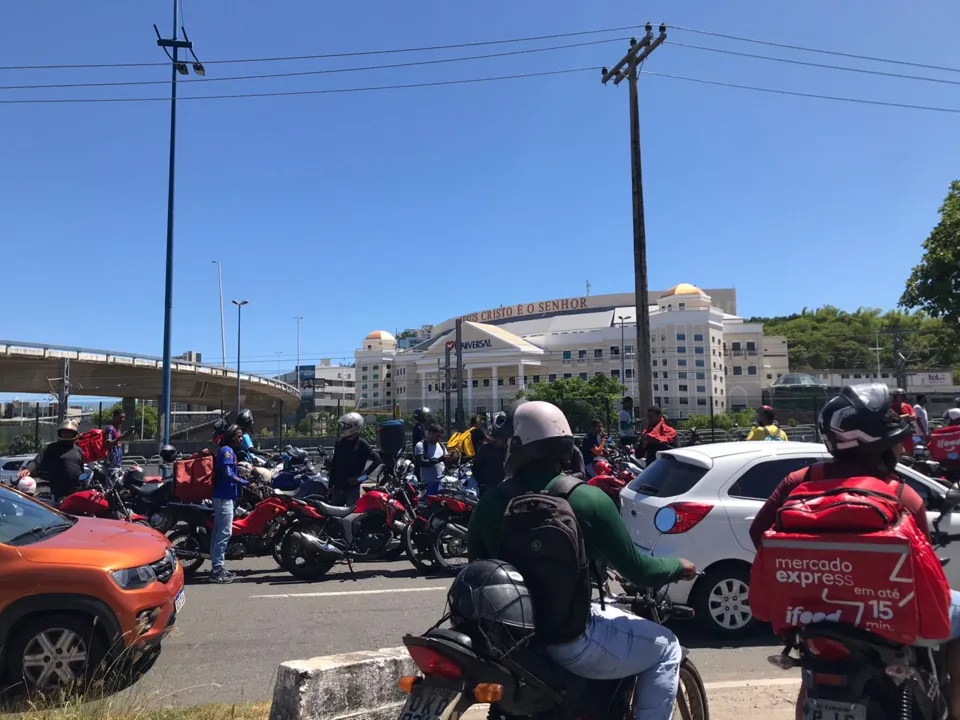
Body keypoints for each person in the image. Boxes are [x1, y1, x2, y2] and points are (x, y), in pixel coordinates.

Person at [467, 400, 696, 720]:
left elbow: (477, 571)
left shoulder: (490, 504)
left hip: (513, 646)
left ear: (517, 447)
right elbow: (638, 570)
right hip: (571, 641)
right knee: (667, 647)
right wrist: (678, 567)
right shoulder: (588, 499)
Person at [748, 383, 960, 720]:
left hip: (814, 619)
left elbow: (759, 534)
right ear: (881, 446)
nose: (903, 449)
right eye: (897, 442)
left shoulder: (797, 482)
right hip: (885, 626)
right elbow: (923, 564)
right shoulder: (904, 496)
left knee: (812, 669)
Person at [211, 424, 248, 584]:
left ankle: (216, 567)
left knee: (218, 533)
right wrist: (245, 482)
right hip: (224, 497)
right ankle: (217, 571)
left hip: (224, 497)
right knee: (224, 533)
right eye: (239, 436)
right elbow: (227, 474)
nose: (241, 439)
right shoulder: (227, 451)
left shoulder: (228, 450)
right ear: (233, 437)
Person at [19, 420, 85, 505]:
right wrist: (28, 469)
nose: (66, 434)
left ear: (74, 434)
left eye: (69, 432)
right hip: (59, 492)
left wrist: (84, 485)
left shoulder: (78, 450)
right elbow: (37, 461)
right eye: (64, 432)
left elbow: (81, 469)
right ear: (60, 433)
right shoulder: (51, 448)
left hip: (77, 490)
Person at [329, 412, 381, 506]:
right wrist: (330, 486)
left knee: (351, 516)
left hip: (352, 489)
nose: (343, 428)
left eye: (346, 425)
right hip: (338, 488)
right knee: (334, 517)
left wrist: (361, 477)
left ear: (355, 427)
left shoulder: (362, 444)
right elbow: (334, 464)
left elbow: (378, 460)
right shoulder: (339, 442)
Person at [472, 412, 507, 495]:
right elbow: (476, 468)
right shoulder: (485, 448)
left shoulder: (510, 448)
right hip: (488, 489)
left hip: (505, 488)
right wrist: (482, 484)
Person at [235, 409, 272, 484]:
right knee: (268, 472)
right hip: (248, 463)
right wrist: (266, 454)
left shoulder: (238, 435)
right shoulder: (244, 436)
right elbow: (251, 449)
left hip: (244, 463)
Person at [891, 388, 918, 457]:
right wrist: (906, 416)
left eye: (902, 396)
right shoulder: (891, 407)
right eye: (898, 396)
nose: (900, 398)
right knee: (897, 451)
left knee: (910, 450)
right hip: (897, 432)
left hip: (908, 431)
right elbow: (894, 417)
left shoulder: (907, 406)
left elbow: (914, 416)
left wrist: (904, 417)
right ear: (895, 397)